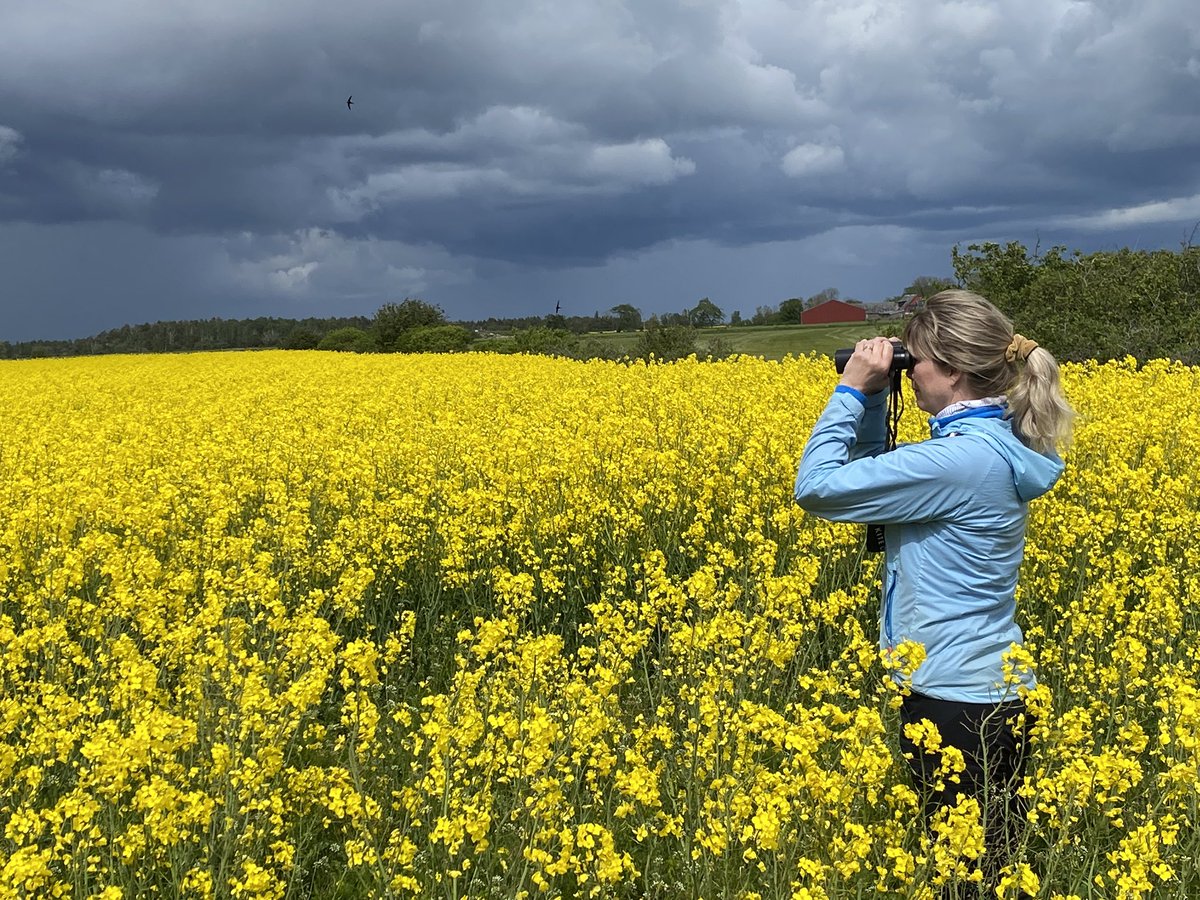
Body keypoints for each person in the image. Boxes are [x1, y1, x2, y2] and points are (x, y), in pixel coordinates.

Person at [794, 290, 1074, 890]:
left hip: (953, 704)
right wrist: (877, 404)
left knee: (963, 881)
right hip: (994, 694)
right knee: (994, 873)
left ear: (951, 370)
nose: (906, 369)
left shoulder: (957, 462)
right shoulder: (996, 446)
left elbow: (818, 487)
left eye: (912, 359)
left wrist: (848, 392)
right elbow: (875, 486)